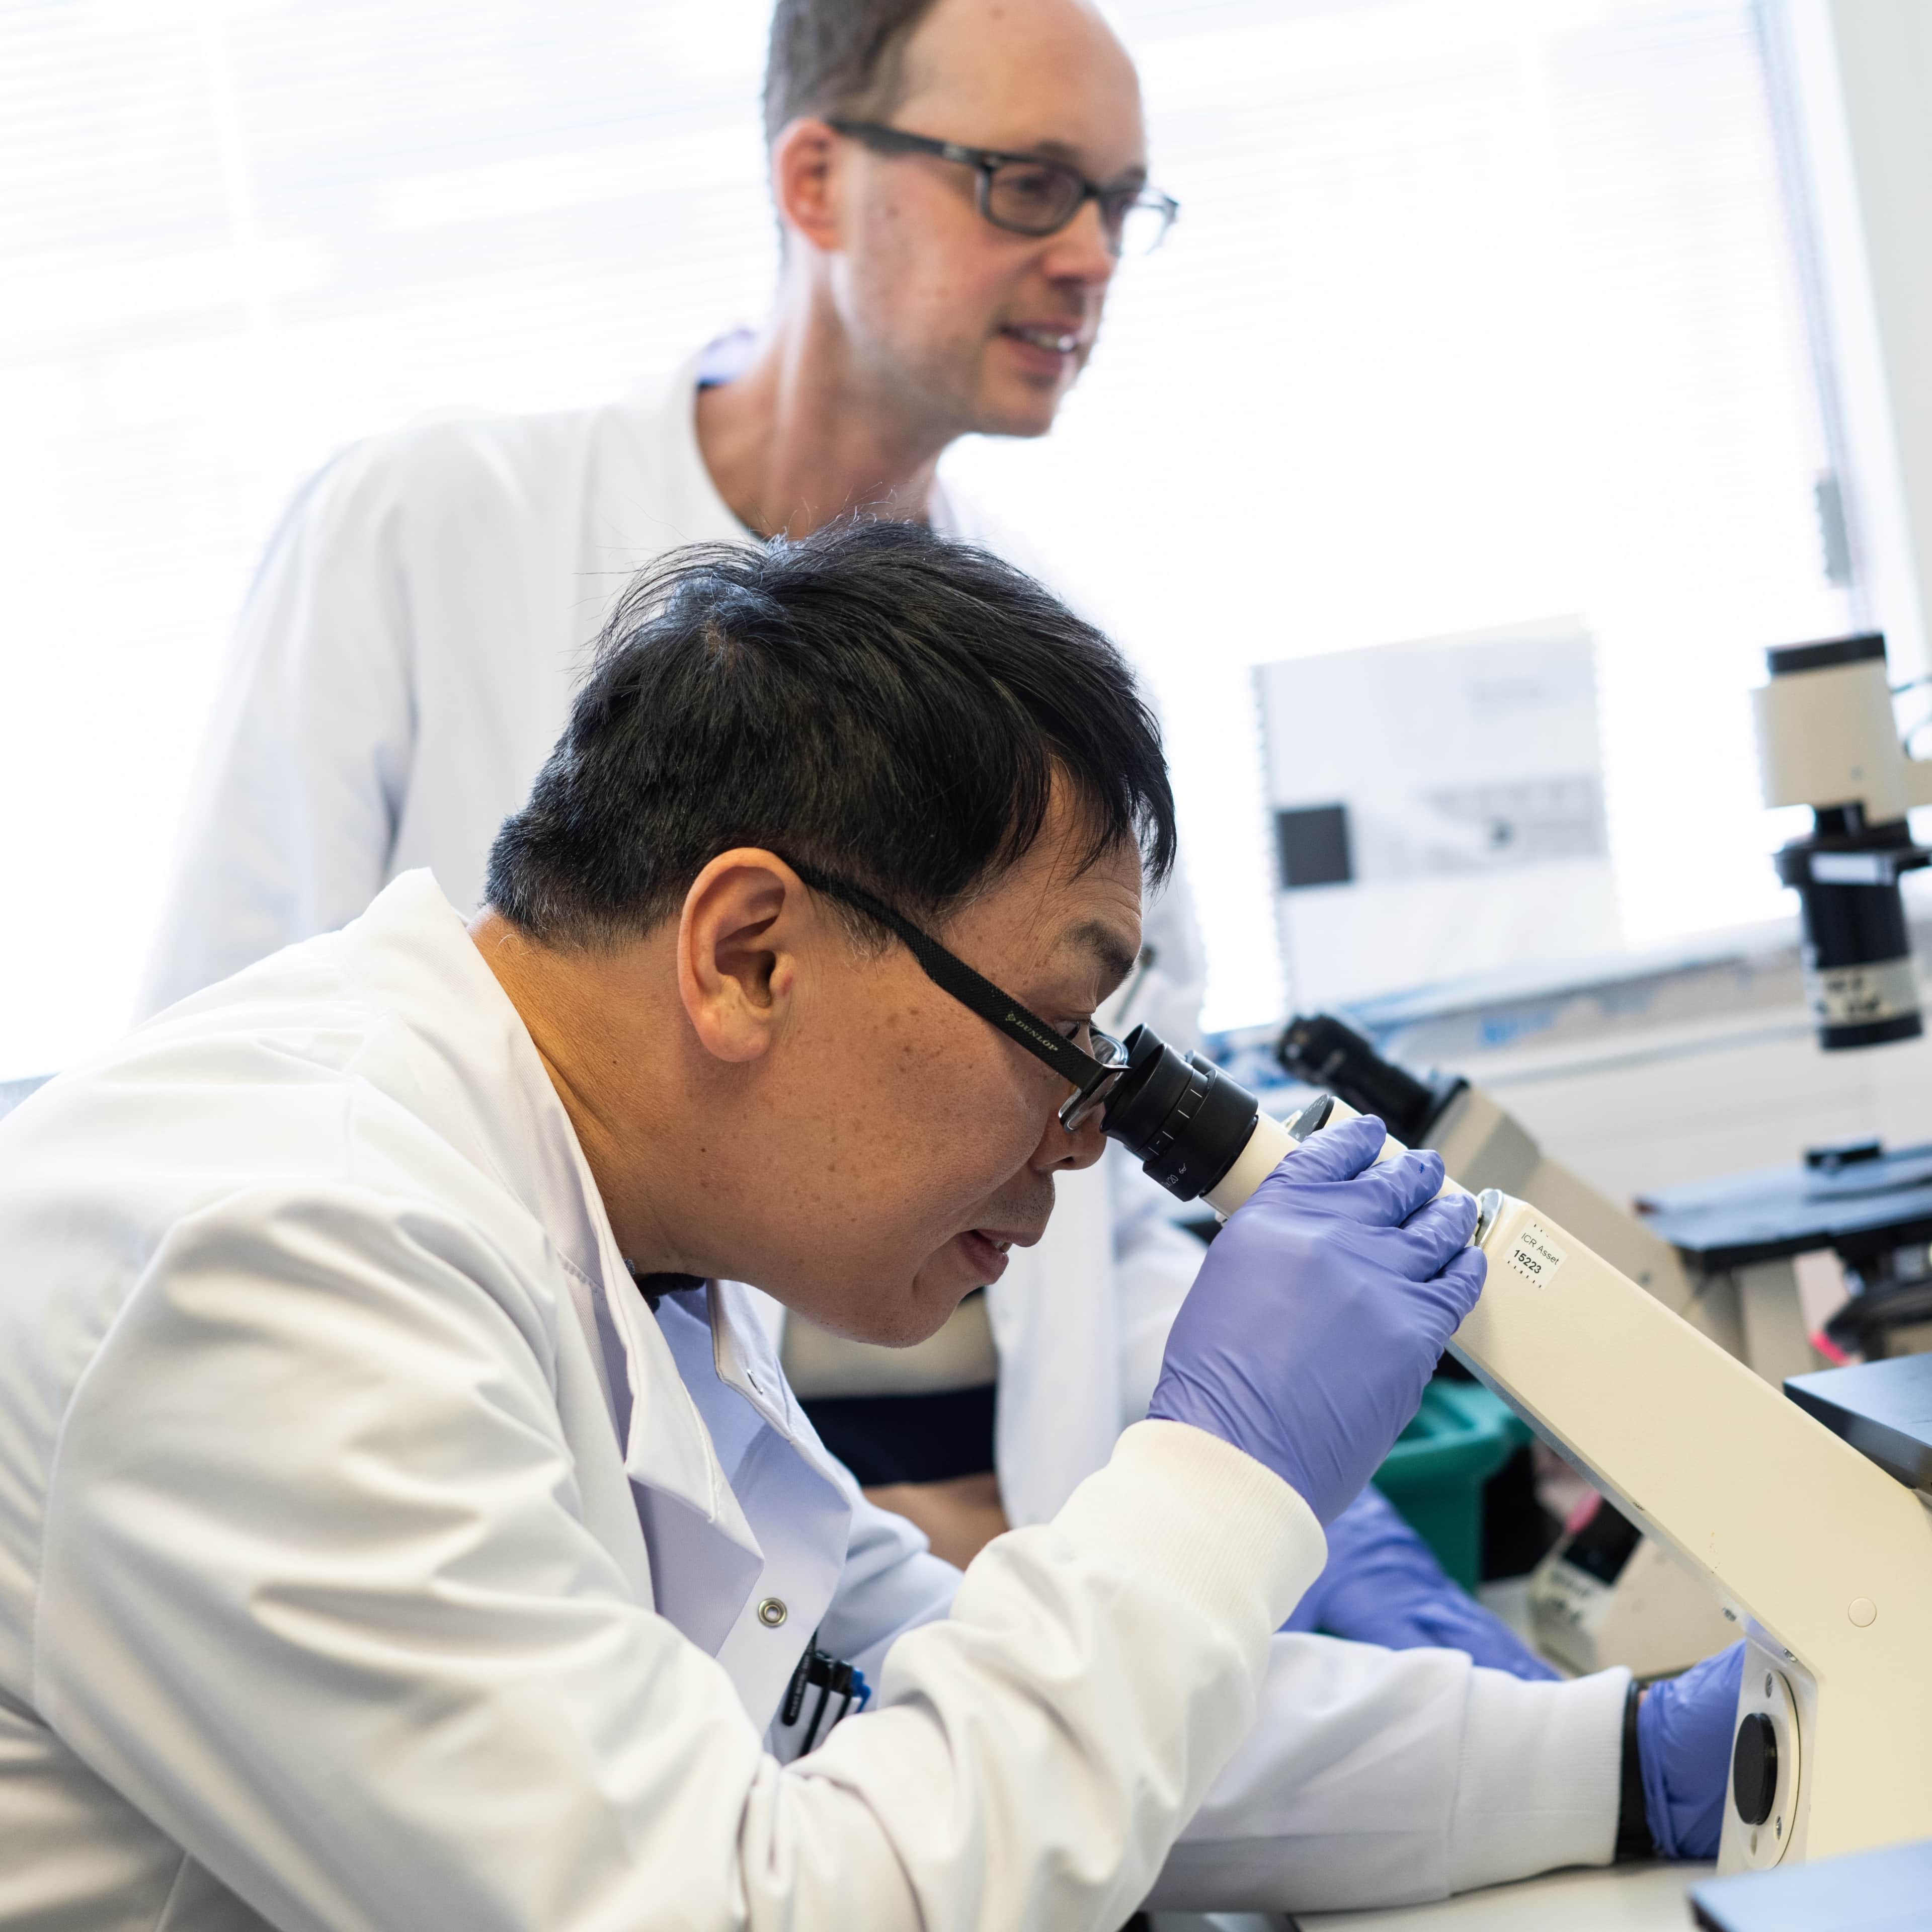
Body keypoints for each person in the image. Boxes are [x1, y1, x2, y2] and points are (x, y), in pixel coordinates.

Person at [0, 528, 1738, 1927]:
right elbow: (731, 1907)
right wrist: (1224, 1477)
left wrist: (1614, 1756)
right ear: (749, 954)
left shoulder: (608, 1246)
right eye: (1069, 1044)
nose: (1083, 1146)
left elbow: (912, 1696)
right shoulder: (277, 1262)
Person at [138, 0, 1544, 1665]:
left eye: (1122, 202)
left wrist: (1323, 1522)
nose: (1091, 256)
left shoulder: (1059, 679)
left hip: (961, 1552)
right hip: (541, 1505)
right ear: (816, 179)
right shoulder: (438, 530)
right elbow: (233, 1071)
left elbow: (1105, 1202)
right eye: (1029, 185)